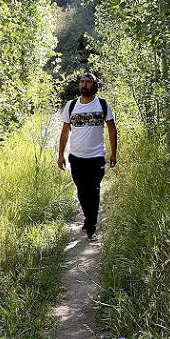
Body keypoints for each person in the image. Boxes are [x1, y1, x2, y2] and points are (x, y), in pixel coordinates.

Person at [57, 72, 117, 241]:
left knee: (94, 190)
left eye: (88, 82)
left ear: (94, 85)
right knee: (82, 191)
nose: (84, 84)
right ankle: (88, 217)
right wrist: (61, 155)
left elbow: (112, 129)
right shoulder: (71, 105)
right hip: (76, 157)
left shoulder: (103, 105)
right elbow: (64, 132)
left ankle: (91, 225)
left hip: (97, 156)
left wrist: (114, 152)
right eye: (82, 82)